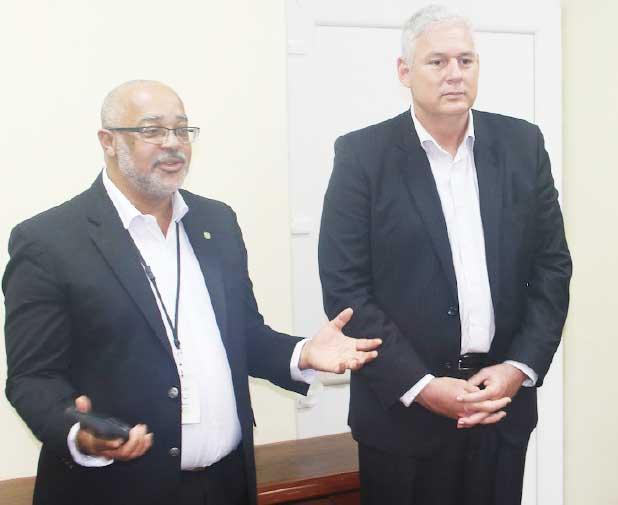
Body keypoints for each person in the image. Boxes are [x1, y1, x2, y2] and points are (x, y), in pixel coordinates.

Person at [3, 79, 381, 505]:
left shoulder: (215, 222)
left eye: (182, 130)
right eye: (152, 130)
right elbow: (32, 377)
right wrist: (76, 430)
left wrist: (302, 353)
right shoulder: (49, 240)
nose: (173, 144)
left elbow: (243, 334)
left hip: (224, 484)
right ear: (108, 141)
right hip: (114, 491)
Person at [317, 5, 571, 505]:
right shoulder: (363, 157)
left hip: (498, 407)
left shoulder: (522, 144)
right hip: (402, 417)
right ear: (404, 72)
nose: (454, 74)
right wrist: (421, 384)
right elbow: (346, 289)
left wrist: (519, 367)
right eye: (437, 62)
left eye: (466, 60)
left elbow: (552, 268)